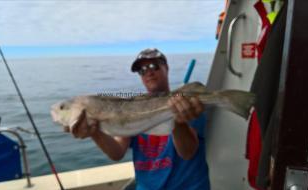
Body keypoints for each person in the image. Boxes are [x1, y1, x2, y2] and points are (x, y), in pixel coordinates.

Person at [71, 48, 210, 190]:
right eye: (142, 70)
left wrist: (178, 122)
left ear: (166, 68)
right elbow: (117, 152)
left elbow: (188, 153)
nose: (148, 72)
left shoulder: (186, 103)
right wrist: (94, 132)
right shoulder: (133, 109)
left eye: (153, 66)